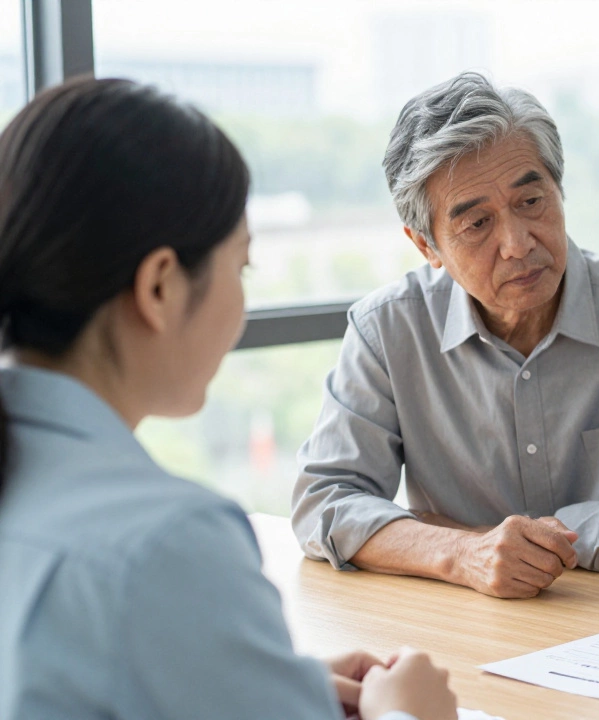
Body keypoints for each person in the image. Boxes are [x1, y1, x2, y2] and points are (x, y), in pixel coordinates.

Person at [0, 77, 455, 720]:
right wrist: (408, 714)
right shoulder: (168, 542)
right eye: (240, 268)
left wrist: (252, 679)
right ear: (159, 287)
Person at [290, 72, 599, 597]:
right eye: (477, 225)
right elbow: (324, 501)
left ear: (559, 190)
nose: (517, 244)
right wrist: (459, 552)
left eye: (531, 202)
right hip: (463, 631)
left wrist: (506, 543)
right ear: (425, 245)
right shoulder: (386, 330)